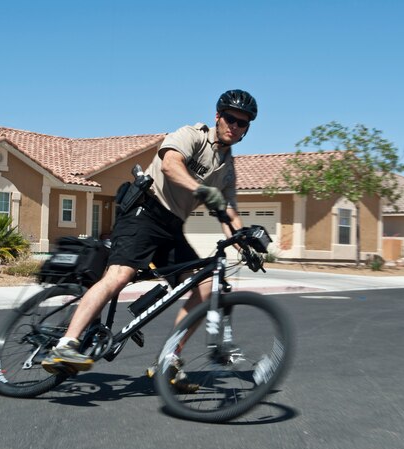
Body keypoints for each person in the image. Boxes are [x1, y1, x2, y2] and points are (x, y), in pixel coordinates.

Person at [42, 89, 258, 386]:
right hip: (145, 211)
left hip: (172, 226)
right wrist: (200, 190)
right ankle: (65, 345)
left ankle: (169, 359)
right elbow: (170, 165)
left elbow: (229, 211)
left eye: (242, 123)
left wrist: (245, 242)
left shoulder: (227, 168)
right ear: (218, 116)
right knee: (119, 275)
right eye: (231, 119)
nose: (235, 126)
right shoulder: (193, 135)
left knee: (205, 287)